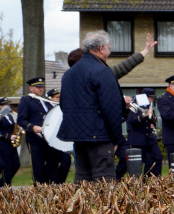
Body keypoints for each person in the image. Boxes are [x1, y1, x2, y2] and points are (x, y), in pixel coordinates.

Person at [58, 31, 126, 182]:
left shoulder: (69, 74)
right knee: (104, 185)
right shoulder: (102, 71)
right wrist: (117, 140)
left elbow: (64, 105)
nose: (110, 51)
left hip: (79, 138)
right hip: (100, 138)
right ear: (101, 48)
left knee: (83, 181)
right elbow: (112, 109)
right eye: (108, 48)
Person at [16, 77, 56, 184]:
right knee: (37, 165)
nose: (40, 89)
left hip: (48, 138)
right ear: (31, 88)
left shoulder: (46, 102)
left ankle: (48, 185)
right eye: (38, 87)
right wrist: (32, 127)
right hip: (35, 139)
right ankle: (38, 187)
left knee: (53, 162)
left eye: (41, 87)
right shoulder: (26, 100)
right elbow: (21, 119)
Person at [127, 88, 163, 176]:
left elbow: (151, 121)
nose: (152, 100)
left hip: (149, 138)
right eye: (151, 98)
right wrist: (144, 115)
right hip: (139, 139)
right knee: (147, 161)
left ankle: (154, 179)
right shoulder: (135, 107)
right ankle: (147, 181)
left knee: (158, 157)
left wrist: (152, 118)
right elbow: (132, 120)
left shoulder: (148, 107)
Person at [45, 88, 70, 183]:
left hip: (61, 139)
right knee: (52, 163)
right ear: (50, 98)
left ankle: (60, 182)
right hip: (50, 139)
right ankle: (52, 182)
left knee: (66, 161)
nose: (59, 99)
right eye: (56, 97)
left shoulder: (61, 108)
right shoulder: (47, 108)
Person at [0, 99, 20, 185]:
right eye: (5, 105)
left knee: (16, 165)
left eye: (8, 104)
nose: (7, 106)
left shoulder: (10, 116)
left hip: (11, 144)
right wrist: (9, 136)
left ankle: (2, 184)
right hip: (2, 144)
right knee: (7, 166)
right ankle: (6, 186)